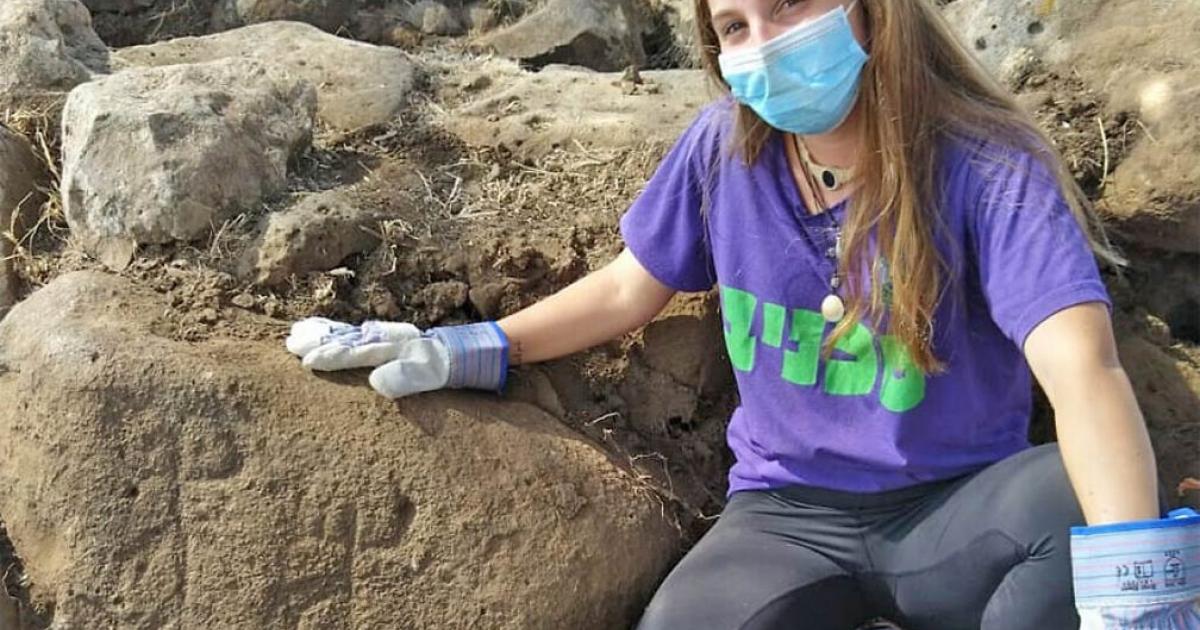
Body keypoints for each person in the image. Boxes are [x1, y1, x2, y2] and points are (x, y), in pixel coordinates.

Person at [287, 0, 1200, 627]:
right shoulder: (723, 151)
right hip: (786, 516)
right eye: (734, 24)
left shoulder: (986, 164)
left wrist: (1135, 591)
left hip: (962, 507)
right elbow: (627, 288)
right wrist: (472, 343)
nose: (763, 43)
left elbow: (1082, 369)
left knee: (1092, 508)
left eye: (793, 6)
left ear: (871, 12)